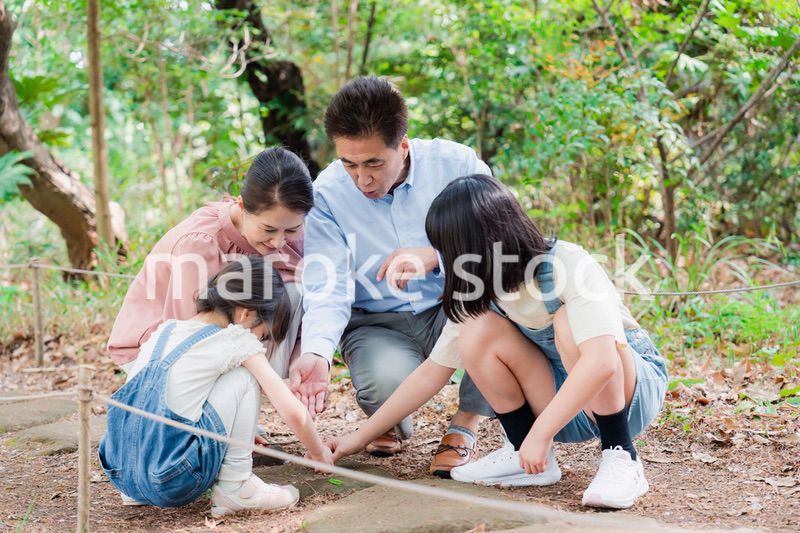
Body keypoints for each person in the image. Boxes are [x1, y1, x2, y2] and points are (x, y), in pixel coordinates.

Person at [328, 175, 668, 509]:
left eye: (450, 252)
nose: (447, 263)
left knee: (566, 322)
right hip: (566, 401)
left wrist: (542, 433)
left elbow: (602, 362)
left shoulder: (566, 263)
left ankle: (621, 456)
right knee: (475, 329)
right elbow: (431, 372)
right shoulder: (478, 290)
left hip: (628, 395)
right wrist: (356, 439)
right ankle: (526, 457)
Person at [291, 76, 494, 476]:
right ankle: (387, 422)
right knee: (384, 386)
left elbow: (501, 236)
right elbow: (327, 282)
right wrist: (315, 351)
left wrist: (437, 255)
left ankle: (465, 423)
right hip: (377, 321)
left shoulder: (458, 164)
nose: (361, 179)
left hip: (453, 306)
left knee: (500, 314)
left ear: (402, 146)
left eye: (373, 163)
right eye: (349, 163)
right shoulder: (328, 192)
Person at [99, 257, 334, 517]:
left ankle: (137, 490)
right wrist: (318, 452)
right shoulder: (235, 340)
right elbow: (293, 413)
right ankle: (237, 488)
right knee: (244, 379)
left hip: (121, 473)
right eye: (263, 335)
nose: (261, 343)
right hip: (171, 479)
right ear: (247, 313)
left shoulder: (166, 331)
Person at [107, 147, 313, 382]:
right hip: (158, 351)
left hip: (232, 339)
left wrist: (300, 359)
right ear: (242, 206)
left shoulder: (290, 234)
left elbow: (308, 308)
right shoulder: (200, 243)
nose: (278, 241)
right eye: (268, 229)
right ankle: (258, 387)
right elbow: (188, 334)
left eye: (292, 229)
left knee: (293, 291)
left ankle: (272, 386)